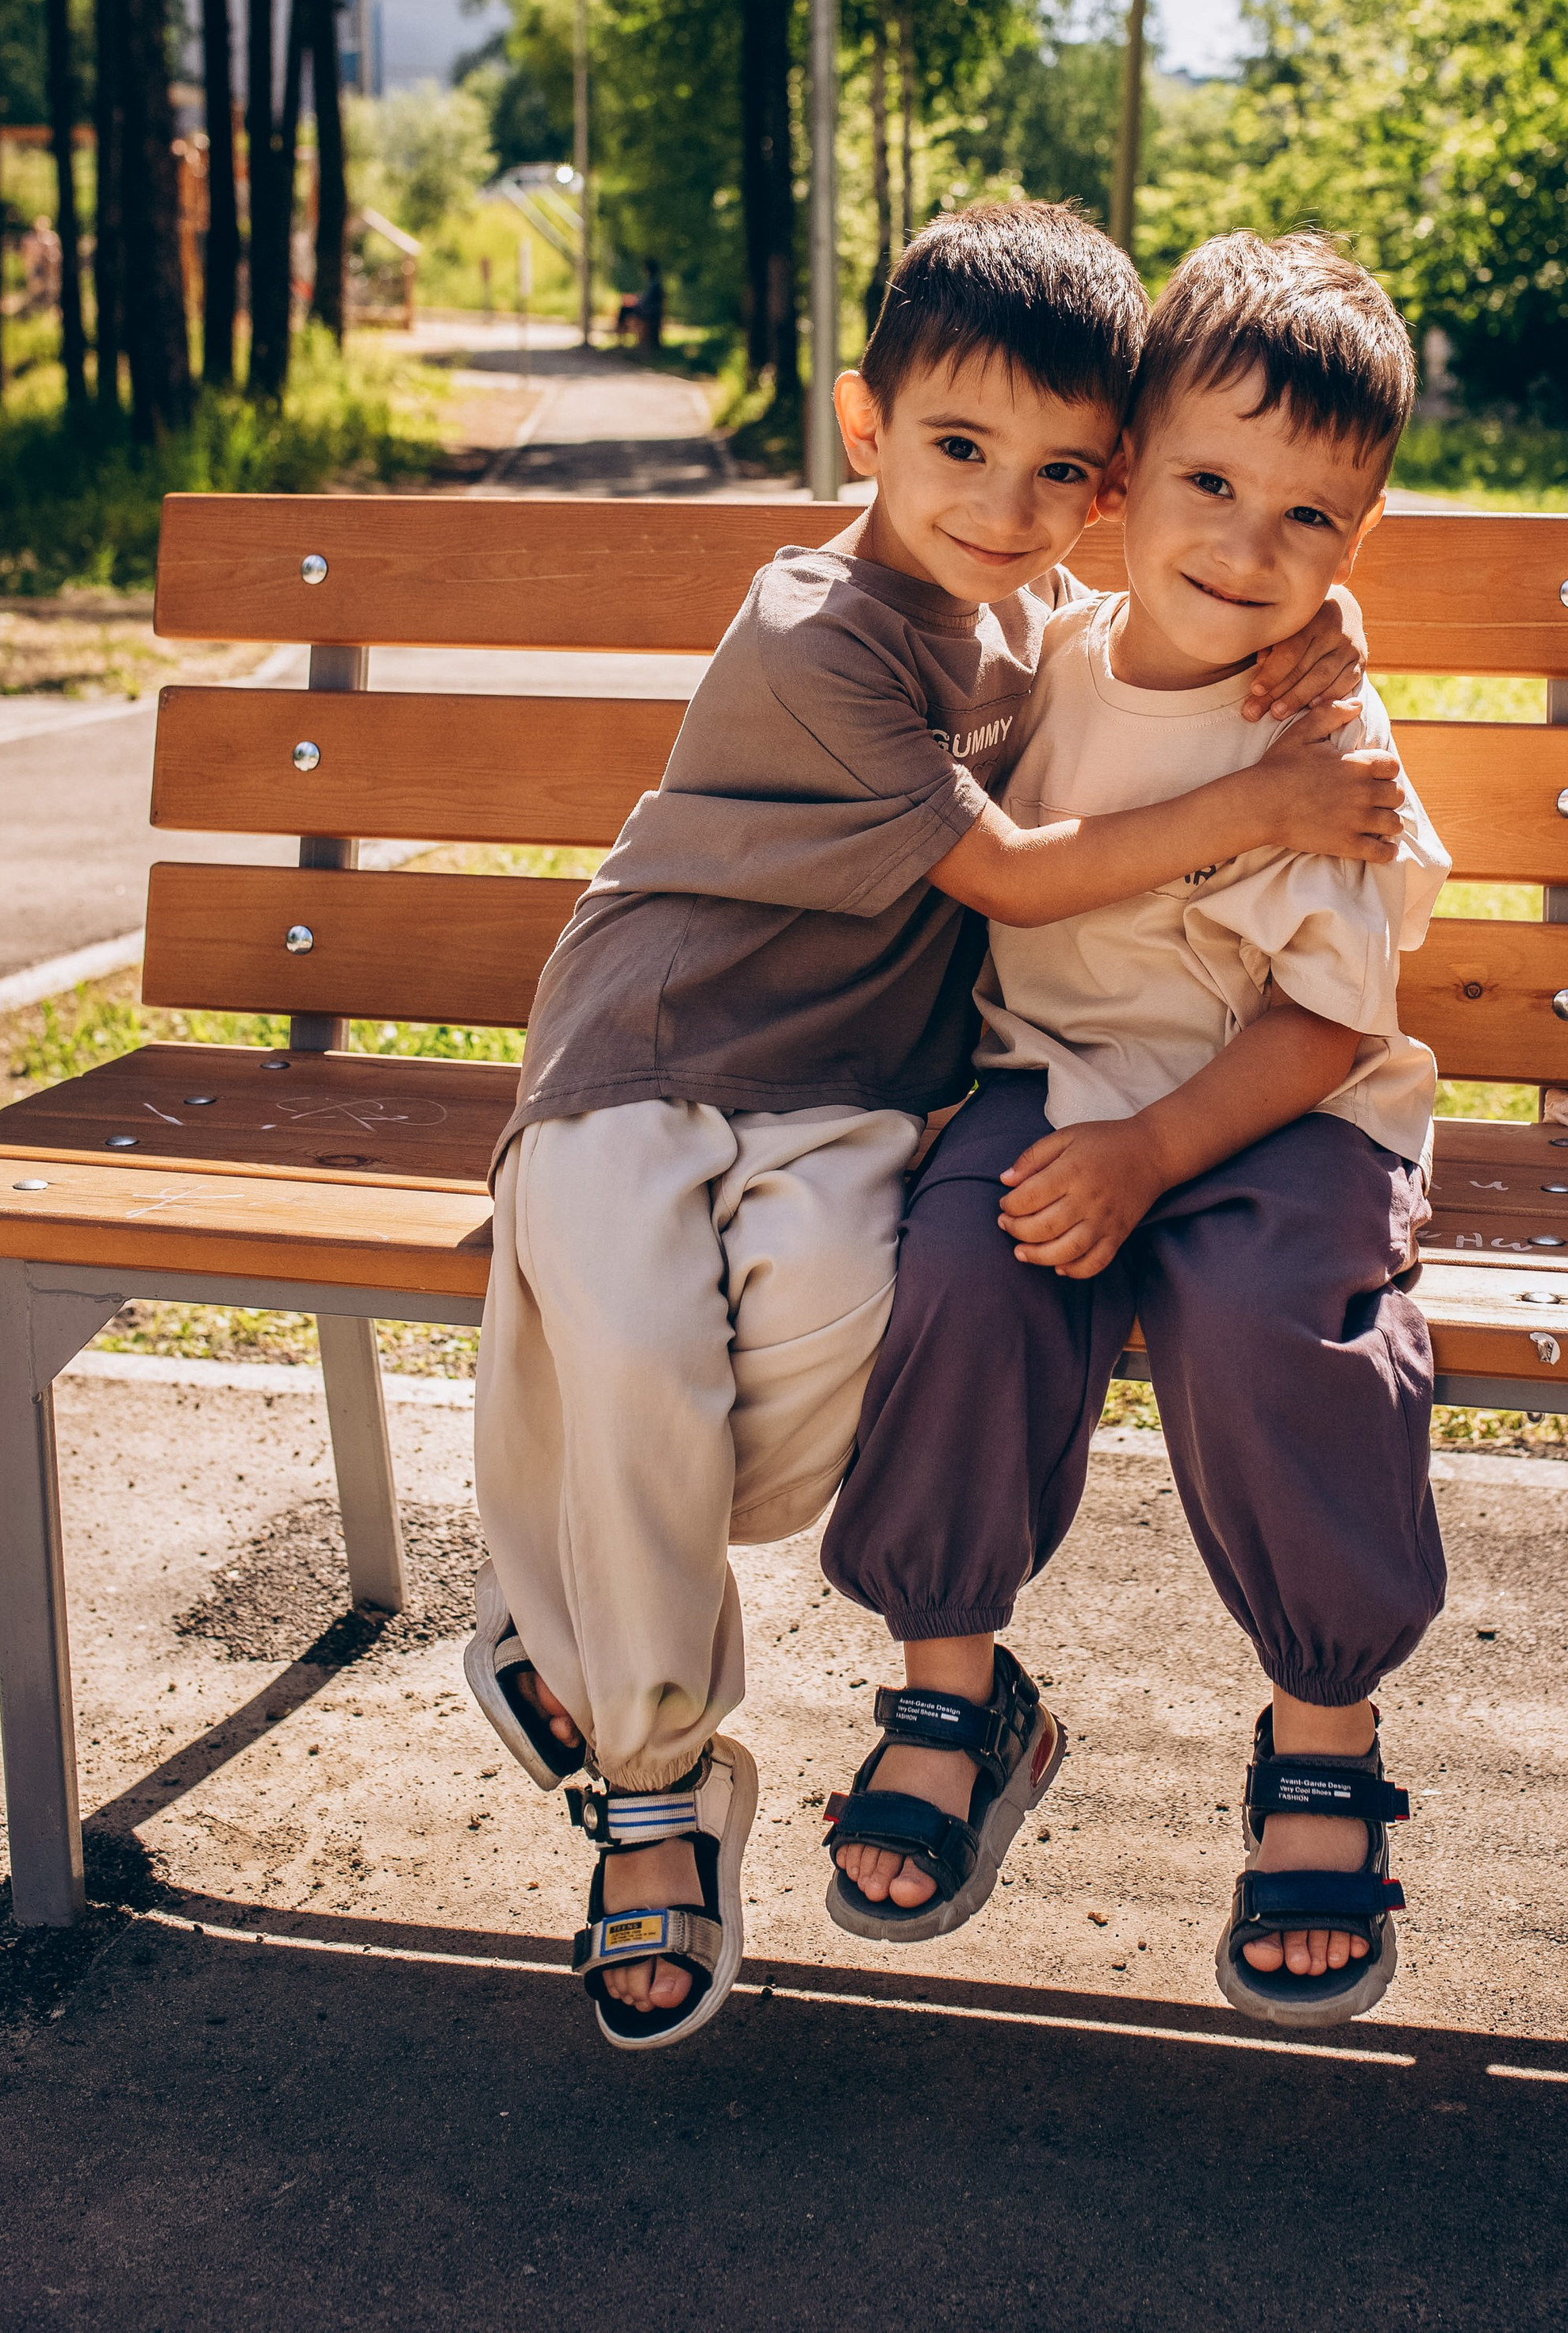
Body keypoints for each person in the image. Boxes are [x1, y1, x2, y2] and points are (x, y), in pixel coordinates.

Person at [465, 201, 1411, 2055]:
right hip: (649, 1050)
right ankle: (660, 1786)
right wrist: (1268, 795)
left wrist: (1318, 613)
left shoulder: (1044, 617)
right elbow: (1016, 872)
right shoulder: (820, 630)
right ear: (863, 424)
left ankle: (578, 1590)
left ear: (1103, 480)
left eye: (1057, 469)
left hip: (856, 1092)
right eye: (958, 448)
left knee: (838, 1334)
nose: (1000, 503)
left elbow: (1209, 593)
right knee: (648, 1340)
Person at [820, 229, 1451, 2032]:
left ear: (1357, 542)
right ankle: (955, 1698)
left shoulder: (1318, 733)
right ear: (1117, 482)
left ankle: (1322, 1731)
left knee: (1274, 1323)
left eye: (1309, 519)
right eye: (1208, 486)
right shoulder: (1043, 662)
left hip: (1283, 1105)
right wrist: (1096, 1144)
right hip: (1056, 1079)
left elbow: (1329, 1020)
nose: (1247, 549)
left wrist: (1156, 1155)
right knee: (960, 1264)